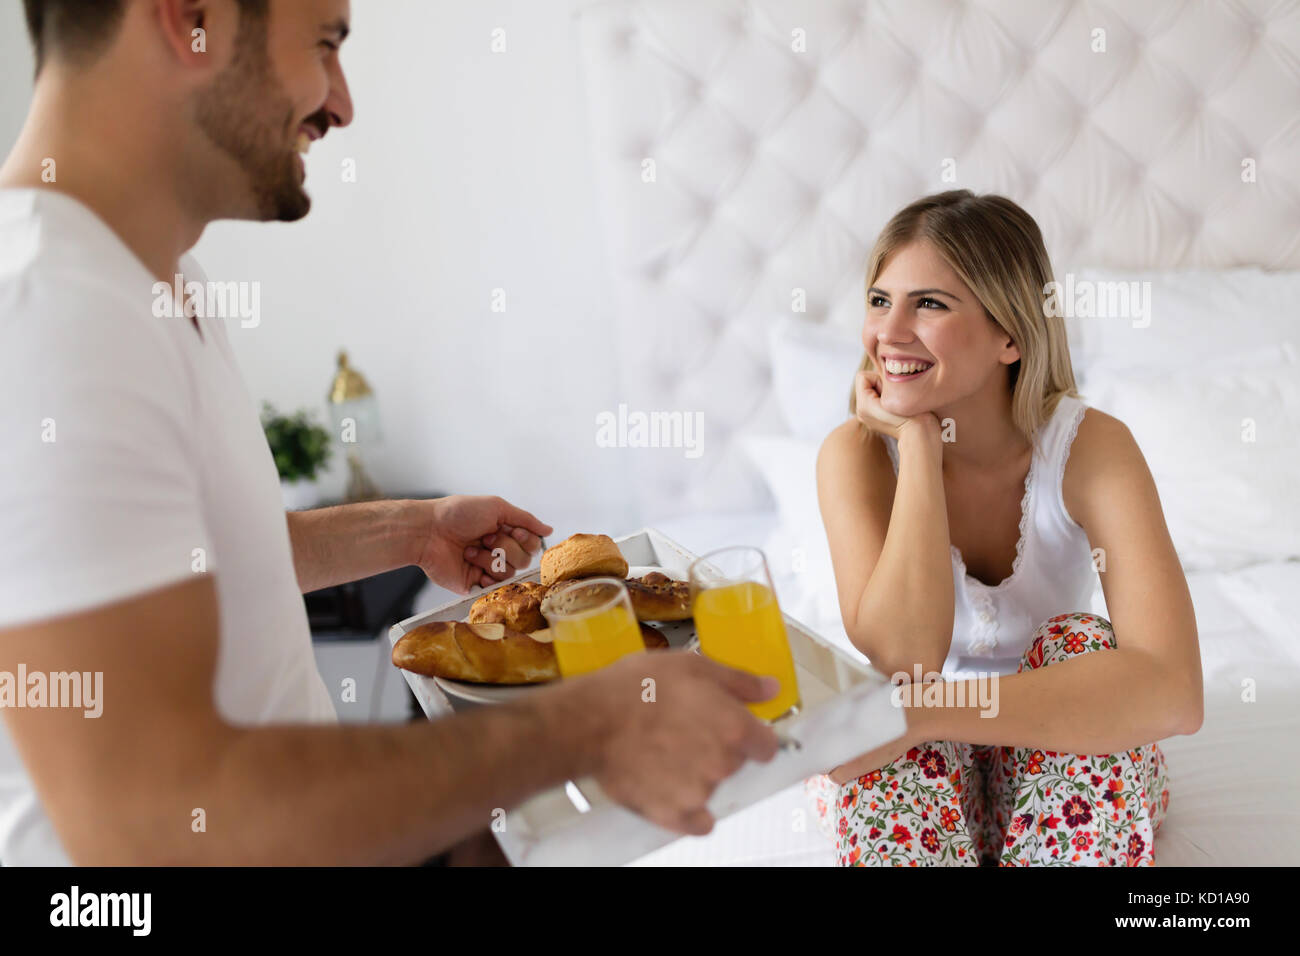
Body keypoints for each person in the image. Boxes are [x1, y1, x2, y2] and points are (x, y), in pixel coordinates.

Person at [0, 0, 779, 866]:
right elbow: (154, 818)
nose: (342, 103)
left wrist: (407, 530)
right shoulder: (50, 313)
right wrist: (580, 728)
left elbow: (203, 562)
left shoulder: (148, 280)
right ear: (190, 19)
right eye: (325, 45)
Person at [806, 190, 1203, 866]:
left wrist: (922, 714)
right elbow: (906, 662)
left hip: (1053, 737)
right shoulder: (856, 456)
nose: (889, 331)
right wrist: (922, 448)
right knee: (880, 702)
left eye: (928, 303)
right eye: (879, 300)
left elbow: (1173, 691)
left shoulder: (1093, 449)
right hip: (917, 759)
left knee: (1079, 643)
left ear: (1010, 335)